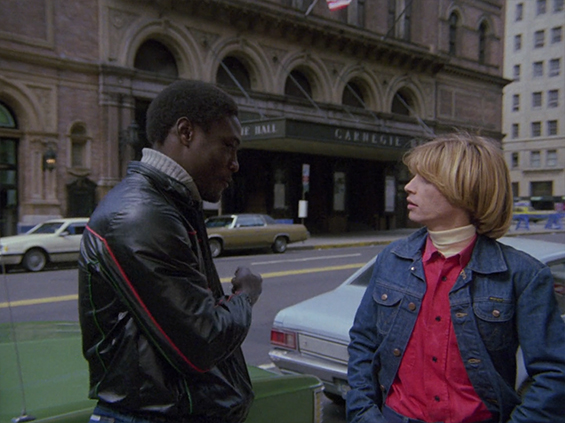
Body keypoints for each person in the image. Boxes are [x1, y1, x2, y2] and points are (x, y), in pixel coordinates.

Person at [346, 133, 565, 423]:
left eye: (425, 179)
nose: (409, 187)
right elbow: (363, 343)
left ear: (464, 188)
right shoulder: (392, 258)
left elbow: (554, 373)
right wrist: (363, 413)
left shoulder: (522, 274)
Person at [78, 80, 263, 423]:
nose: (235, 163)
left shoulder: (172, 204)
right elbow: (203, 341)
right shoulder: (142, 215)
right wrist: (245, 296)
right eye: (228, 146)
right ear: (186, 132)